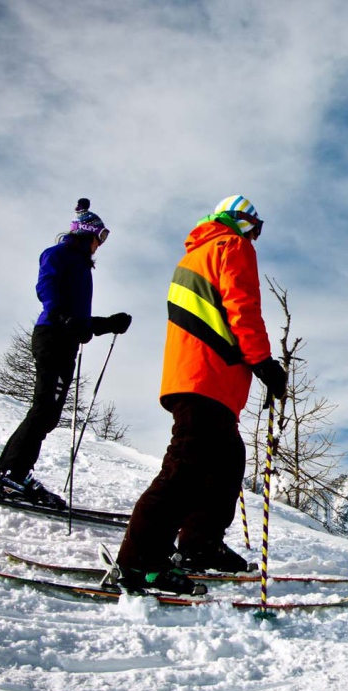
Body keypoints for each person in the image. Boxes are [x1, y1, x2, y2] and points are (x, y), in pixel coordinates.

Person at [114, 195, 287, 594]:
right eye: (256, 228)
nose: (256, 238)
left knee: (227, 461)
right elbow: (242, 306)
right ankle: (139, 561)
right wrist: (264, 363)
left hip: (198, 376)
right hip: (208, 376)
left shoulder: (194, 256)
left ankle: (199, 545)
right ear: (243, 222)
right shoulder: (232, 246)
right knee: (185, 468)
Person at [0, 198, 131, 508]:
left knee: (48, 412)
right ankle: (12, 475)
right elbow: (47, 288)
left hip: (64, 341)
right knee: (45, 409)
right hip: (52, 337)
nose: (100, 245)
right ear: (87, 233)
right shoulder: (58, 254)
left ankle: (12, 473)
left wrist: (108, 324)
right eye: (100, 237)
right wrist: (64, 317)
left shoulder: (82, 266)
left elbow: (79, 323)